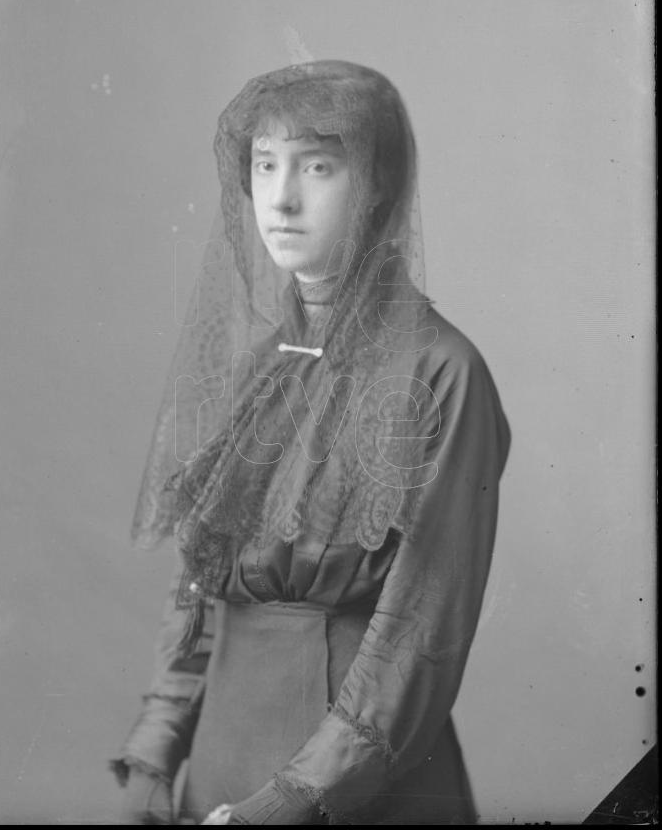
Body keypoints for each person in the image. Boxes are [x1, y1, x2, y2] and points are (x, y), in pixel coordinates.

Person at [111, 60, 511, 825]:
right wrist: (155, 752)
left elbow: (420, 627)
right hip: (217, 767)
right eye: (265, 166)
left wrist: (290, 800)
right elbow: (199, 585)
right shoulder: (263, 368)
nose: (281, 199)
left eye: (318, 167)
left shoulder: (442, 373)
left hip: (351, 787)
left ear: (378, 186)